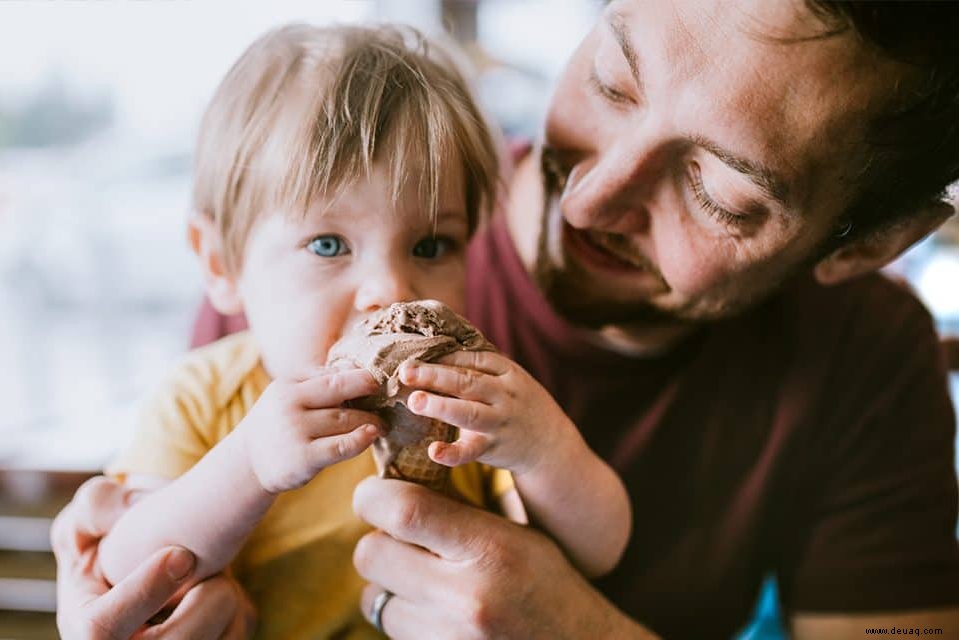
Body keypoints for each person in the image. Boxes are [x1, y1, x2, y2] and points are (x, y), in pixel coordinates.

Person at [54, 0, 959, 637]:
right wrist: (130, 597)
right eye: (613, 83)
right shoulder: (261, 329)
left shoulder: (868, 359)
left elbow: (601, 534)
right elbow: (142, 559)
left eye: (718, 193)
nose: (589, 203)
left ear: (869, 244)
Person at [79, 22, 630, 639]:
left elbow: (602, 548)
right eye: (328, 244)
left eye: (430, 244)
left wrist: (541, 445)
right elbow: (125, 572)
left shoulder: (458, 401)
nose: (391, 290)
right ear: (220, 263)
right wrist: (250, 465)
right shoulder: (205, 395)